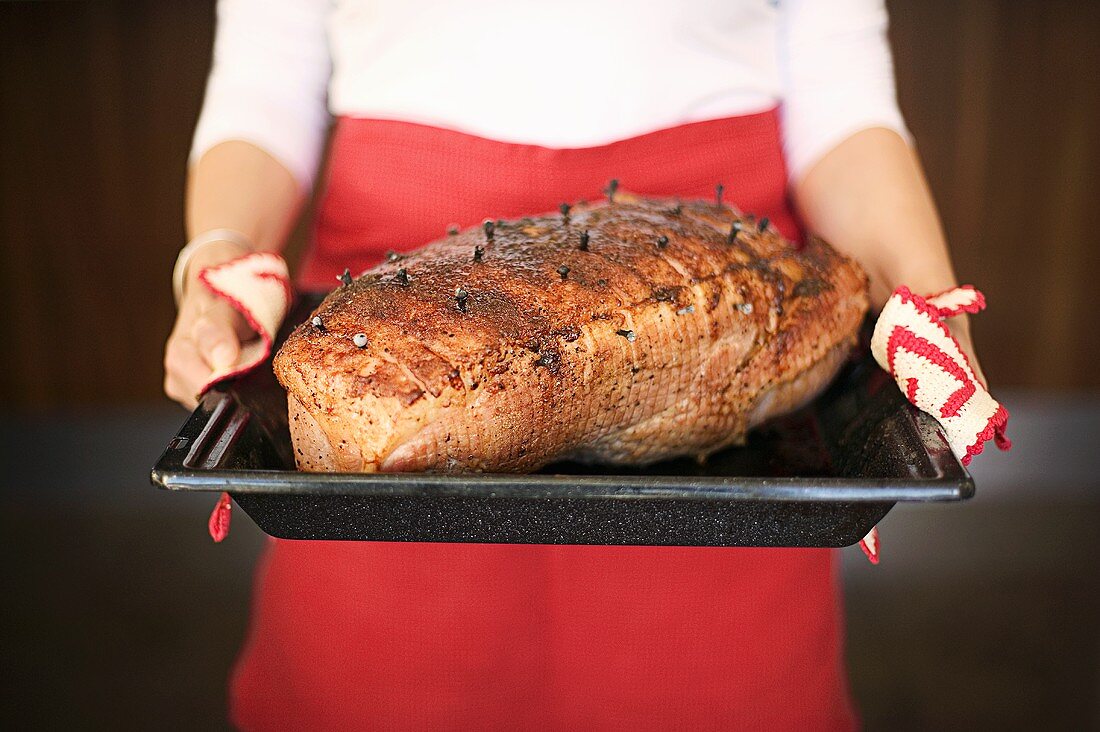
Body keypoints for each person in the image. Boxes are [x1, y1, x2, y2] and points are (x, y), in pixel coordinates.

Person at [164, 1, 984, 728]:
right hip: (382, 333)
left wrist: (925, 305)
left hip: (724, 311)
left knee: (708, 682)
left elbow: (842, 95)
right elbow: (265, 81)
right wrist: (220, 257)